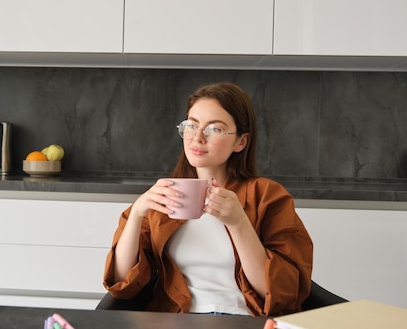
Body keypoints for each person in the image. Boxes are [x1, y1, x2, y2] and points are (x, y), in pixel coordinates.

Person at [103, 82, 313, 316]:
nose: (198, 137)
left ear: (240, 142)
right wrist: (137, 213)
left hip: (246, 324)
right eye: (192, 125)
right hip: (176, 325)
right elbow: (121, 283)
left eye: (215, 129)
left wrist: (238, 222)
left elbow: (281, 294)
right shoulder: (163, 196)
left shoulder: (267, 196)